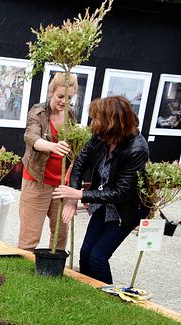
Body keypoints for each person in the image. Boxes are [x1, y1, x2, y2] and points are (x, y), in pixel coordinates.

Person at [52, 96, 149, 284]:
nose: (92, 123)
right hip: (102, 206)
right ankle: (88, 295)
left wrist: (80, 194)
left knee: (98, 257)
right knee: (85, 253)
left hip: (124, 211)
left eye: (96, 118)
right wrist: (72, 198)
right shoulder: (101, 136)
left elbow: (122, 193)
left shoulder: (136, 149)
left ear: (111, 122)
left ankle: (109, 299)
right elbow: (80, 162)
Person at [17, 73, 77, 252]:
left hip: (61, 185)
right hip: (37, 180)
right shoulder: (38, 112)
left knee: (60, 234)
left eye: (69, 98)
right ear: (51, 92)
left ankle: (54, 272)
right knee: (30, 236)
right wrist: (52, 146)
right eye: (60, 96)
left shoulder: (71, 114)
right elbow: (31, 137)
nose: (64, 102)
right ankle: (20, 273)